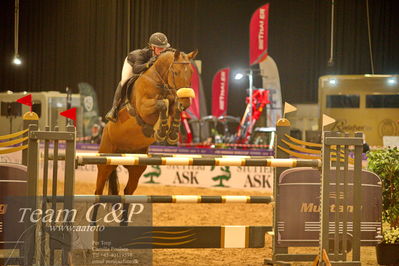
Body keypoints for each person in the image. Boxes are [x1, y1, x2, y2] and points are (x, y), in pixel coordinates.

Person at [105, 32, 171, 122]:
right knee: (124, 81)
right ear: (152, 47)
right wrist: (149, 63)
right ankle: (114, 109)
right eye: (160, 48)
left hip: (145, 68)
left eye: (164, 48)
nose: (162, 51)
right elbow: (136, 69)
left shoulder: (164, 54)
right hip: (132, 64)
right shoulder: (141, 54)